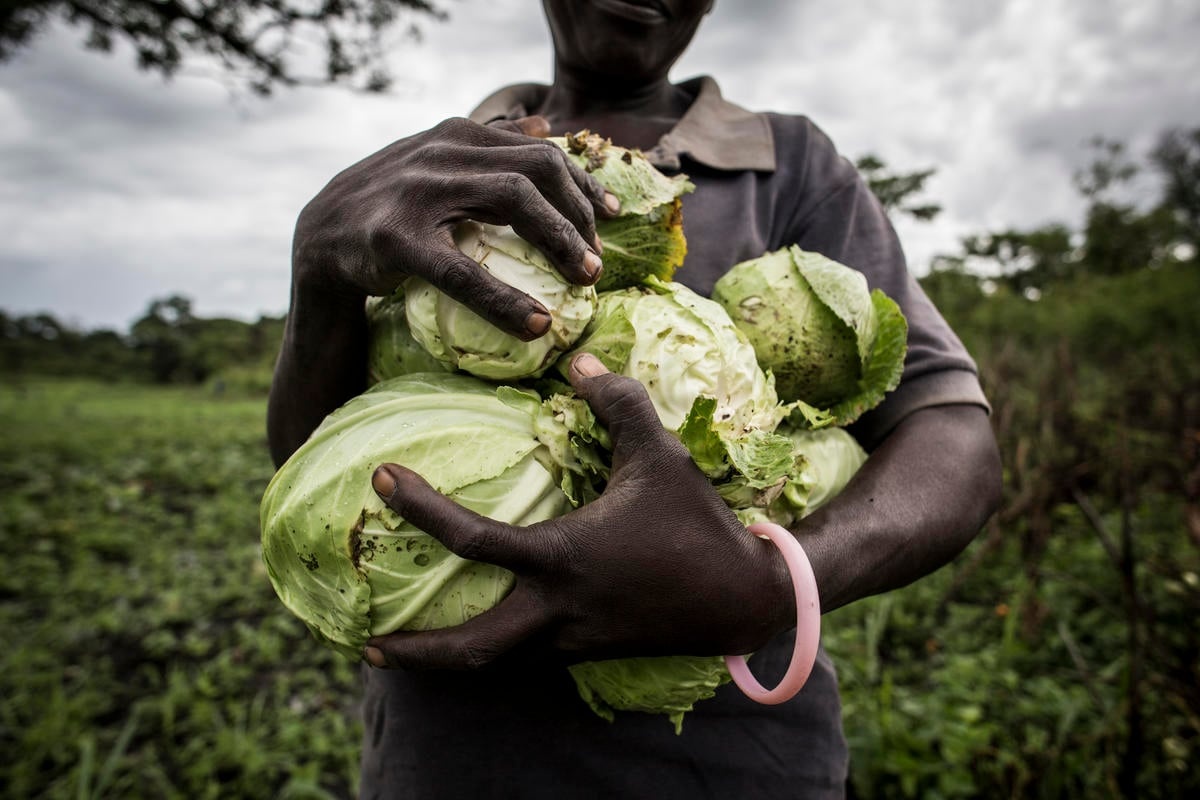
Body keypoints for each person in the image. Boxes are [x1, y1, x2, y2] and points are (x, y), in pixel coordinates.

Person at [267, 1, 1002, 797]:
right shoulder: (440, 162)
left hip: (733, 768)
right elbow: (320, 449)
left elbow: (952, 435)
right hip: (449, 758)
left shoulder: (790, 164)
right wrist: (318, 269)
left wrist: (769, 585)